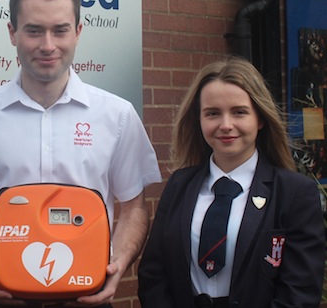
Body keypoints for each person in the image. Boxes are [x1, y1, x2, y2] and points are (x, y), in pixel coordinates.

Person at [0, 0, 162, 307]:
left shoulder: (117, 115)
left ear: (78, 32)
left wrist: (119, 264)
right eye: (34, 30)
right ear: (12, 33)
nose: (48, 45)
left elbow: (133, 207)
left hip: (86, 296)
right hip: (4, 296)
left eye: (60, 30)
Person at [138, 56, 325, 308]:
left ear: (260, 119)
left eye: (239, 112)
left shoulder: (295, 193)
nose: (226, 125)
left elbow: (300, 292)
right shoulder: (179, 186)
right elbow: (154, 276)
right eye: (213, 113)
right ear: (199, 120)